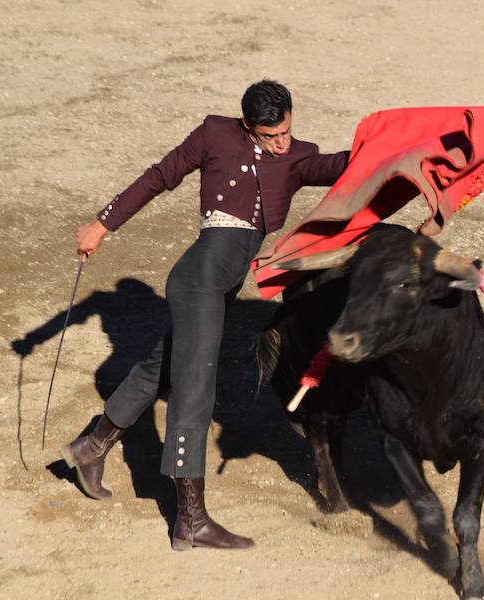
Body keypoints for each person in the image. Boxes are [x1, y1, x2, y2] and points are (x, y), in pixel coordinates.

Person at [61, 80, 349, 551]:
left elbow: (347, 166)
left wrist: (408, 145)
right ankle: (190, 519)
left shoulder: (298, 156)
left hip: (219, 287)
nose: (281, 144)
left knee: (164, 366)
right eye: (269, 136)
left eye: (286, 133)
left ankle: (90, 446)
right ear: (246, 125)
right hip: (197, 279)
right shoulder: (215, 134)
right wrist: (102, 222)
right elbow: (160, 175)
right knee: (194, 388)